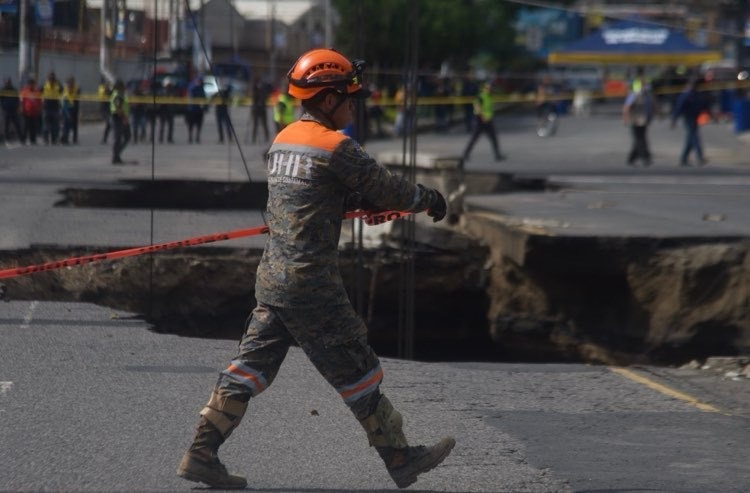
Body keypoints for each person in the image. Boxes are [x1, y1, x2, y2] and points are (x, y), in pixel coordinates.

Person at [176, 48, 454, 490]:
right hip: (311, 284)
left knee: (247, 368)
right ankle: (400, 456)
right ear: (327, 99)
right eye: (348, 97)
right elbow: (391, 190)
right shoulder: (337, 147)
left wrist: (352, 204)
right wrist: (429, 199)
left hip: (274, 279)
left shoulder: (282, 139)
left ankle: (201, 452)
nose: (352, 106)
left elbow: (308, 197)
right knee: (357, 367)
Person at [671, 76, 710, 166]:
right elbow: (679, 107)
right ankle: (700, 157)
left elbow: (704, 105)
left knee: (690, 138)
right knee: (694, 137)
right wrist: (674, 119)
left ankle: (683, 158)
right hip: (688, 118)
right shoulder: (687, 95)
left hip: (695, 117)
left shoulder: (696, 94)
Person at [461, 81, 505, 162]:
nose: (490, 89)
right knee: (474, 139)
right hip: (481, 121)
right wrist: (482, 117)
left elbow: (489, 108)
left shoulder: (489, 97)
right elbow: (477, 107)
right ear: (484, 88)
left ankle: (497, 155)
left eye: (490, 88)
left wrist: (489, 117)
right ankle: (465, 154)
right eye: (488, 88)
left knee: (494, 138)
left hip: (488, 121)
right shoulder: (480, 97)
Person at [622, 68, 654, 166]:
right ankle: (645, 157)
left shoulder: (647, 93)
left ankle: (632, 158)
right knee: (640, 139)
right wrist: (626, 119)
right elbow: (626, 107)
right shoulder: (635, 94)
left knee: (640, 138)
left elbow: (653, 103)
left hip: (643, 119)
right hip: (636, 119)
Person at [110, 79, 131, 164]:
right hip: (118, 118)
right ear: (119, 87)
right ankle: (115, 157)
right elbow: (118, 109)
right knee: (118, 139)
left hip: (123, 117)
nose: (124, 88)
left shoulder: (121, 95)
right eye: (123, 87)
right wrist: (124, 118)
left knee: (127, 137)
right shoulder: (117, 95)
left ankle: (117, 154)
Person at [19, 76, 42, 145]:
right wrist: (21, 108)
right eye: (30, 83)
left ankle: (33, 140)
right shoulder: (24, 91)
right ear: (28, 84)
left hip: (34, 112)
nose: (31, 84)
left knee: (33, 127)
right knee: (25, 127)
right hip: (26, 112)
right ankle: (23, 140)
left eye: (33, 83)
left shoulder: (37, 91)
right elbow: (21, 100)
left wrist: (39, 109)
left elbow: (39, 101)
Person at [1, 77, 24, 144]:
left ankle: (21, 139)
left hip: (13, 110)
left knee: (17, 125)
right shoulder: (3, 90)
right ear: (5, 83)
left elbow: (17, 99)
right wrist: (3, 107)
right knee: (6, 126)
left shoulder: (14, 90)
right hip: (6, 111)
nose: (8, 83)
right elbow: (1, 100)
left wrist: (17, 107)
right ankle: (6, 139)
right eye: (7, 82)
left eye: (9, 82)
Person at [41, 71, 62, 144]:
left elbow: (62, 91)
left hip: (55, 108)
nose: (51, 79)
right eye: (50, 78)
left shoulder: (58, 85)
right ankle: (46, 139)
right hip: (46, 108)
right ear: (48, 78)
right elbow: (39, 92)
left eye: (53, 78)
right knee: (46, 126)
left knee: (55, 126)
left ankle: (54, 139)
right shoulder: (44, 85)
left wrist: (58, 82)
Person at [186, 75, 207, 144]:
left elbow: (204, 97)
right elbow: (190, 94)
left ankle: (197, 137)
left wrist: (205, 106)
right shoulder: (192, 86)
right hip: (191, 110)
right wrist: (196, 85)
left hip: (199, 110)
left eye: (201, 81)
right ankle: (190, 137)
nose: (201, 82)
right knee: (190, 125)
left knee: (199, 125)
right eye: (200, 81)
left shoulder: (202, 88)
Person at [60, 77, 80, 145]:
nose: (70, 86)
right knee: (66, 125)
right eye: (69, 84)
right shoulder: (65, 92)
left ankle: (69, 138)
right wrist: (67, 113)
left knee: (71, 126)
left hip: (73, 110)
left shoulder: (75, 89)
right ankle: (64, 139)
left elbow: (77, 99)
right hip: (66, 110)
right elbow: (64, 104)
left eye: (72, 84)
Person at [251, 78, 270, 143]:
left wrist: (261, 91)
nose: (259, 85)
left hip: (262, 109)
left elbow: (265, 97)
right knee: (255, 125)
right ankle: (254, 138)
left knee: (264, 124)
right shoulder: (254, 90)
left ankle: (267, 137)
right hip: (256, 110)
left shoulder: (263, 90)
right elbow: (254, 98)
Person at [98, 78, 112, 144]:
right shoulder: (103, 92)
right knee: (109, 124)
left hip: (110, 110)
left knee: (109, 125)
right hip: (106, 110)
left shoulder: (110, 92)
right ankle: (104, 139)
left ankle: (105, 139)